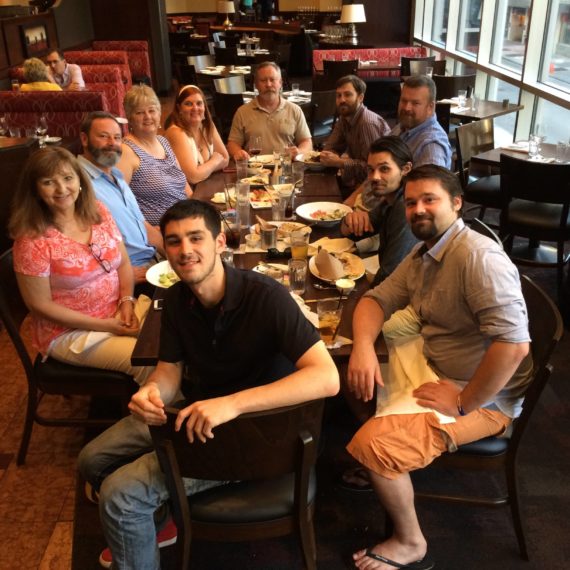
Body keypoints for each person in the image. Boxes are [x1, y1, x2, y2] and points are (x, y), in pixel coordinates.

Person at [78, 199, 340, 569]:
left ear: (220, 243)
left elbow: (327, 377)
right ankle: (159, 522)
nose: (185, 251)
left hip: (258, 432)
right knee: (92, 459)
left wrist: (231, 403)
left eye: (196, 238)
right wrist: (153, 392)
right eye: (173, 241)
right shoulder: (172, 299)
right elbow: (168, 372)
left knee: (121, 495)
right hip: (198, 413)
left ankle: (142, 517)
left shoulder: (266, 297)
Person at [346, 165, 532, 570]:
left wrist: (464, 401)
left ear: (457, 204)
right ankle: (388, 460)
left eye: (430, 199)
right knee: (353, 368)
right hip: (439, 365)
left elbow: (515, 346)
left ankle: (411, 541)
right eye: (411, 202)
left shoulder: (478, 258)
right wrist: (361, 347)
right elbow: (375, 300)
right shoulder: (426, 252)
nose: (418, 210)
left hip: (486, 400)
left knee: (373, 445)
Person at [9, 146, 154, 385]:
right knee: (148, 359)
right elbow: (39, 305)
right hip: (70, 333)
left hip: (117, 311)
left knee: (173, 333)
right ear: (34, 190)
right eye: (48, 182)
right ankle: (149, 421)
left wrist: (126, 301)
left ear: (79, 181)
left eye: (68, 178)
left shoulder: (98, 212)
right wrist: (106, 325)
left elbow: (123, 262)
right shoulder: (32, 239)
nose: (61, 189)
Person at [77, 111, 164, 289]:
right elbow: (76, 246)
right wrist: (119, 274)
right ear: (84, 139)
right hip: (126, 278)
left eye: (117, 137)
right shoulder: (77, 183)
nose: (112, 143)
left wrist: (175, 255)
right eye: (103, 136)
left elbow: (144, 226)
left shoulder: (117, 175)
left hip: (153, 264)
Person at [340, 136, 417, 288]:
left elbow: (390, 275)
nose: (374, 177)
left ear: (406, 169)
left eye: (384, 169)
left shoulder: (404, 208)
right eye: (371, 170)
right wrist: (350, 219)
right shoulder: (390, 200)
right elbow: (348, 231)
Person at [117, 85, 192, 226]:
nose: (148, 117)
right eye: (139, 112)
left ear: (159, 113)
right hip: (159, 232)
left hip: (185, 220)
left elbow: (185, 187)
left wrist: (199, 211)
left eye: (152, 110)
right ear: (129, 118)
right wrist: (149, 232)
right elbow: (119, 204)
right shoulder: (126, 151)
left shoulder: (163, 141)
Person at [227, 61, 313, 160]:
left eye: (272, 80)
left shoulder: (294, 110)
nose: (268, 84)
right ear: (256, 84)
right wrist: (238, 152)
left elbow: (307, 142)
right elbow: (232, 143)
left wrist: (299, 152)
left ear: (280, 83)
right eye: (263, 80)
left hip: (286, 167)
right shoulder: (242, 112)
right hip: (255, 168)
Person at [320, 75, 390, 194]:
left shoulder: (367, 123)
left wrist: (339, 162)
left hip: (377, 190)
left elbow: (372, 169)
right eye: (338, 95)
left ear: (360, 97)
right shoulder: (344, 118)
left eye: (347, 95)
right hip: (357, 183)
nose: (342, 100)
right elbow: (330, 148)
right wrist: (331, 156)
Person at [164, 84, 229, 185]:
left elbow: (225, 158)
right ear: (179, 108)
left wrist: (202, 171)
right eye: (188, 104)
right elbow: (193, 177)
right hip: (185, 195)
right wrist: (215, 161)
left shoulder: (208, 125)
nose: (195, 108)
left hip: (206, 186)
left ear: (204, 106)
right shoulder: (176, 132)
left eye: (199, 103)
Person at [390, 75, 452, 169]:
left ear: (430, 107)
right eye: (404, 101)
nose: (407, 108)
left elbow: (430, 183)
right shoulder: (405, 125)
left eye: (415, 103)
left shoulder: (432, 148)